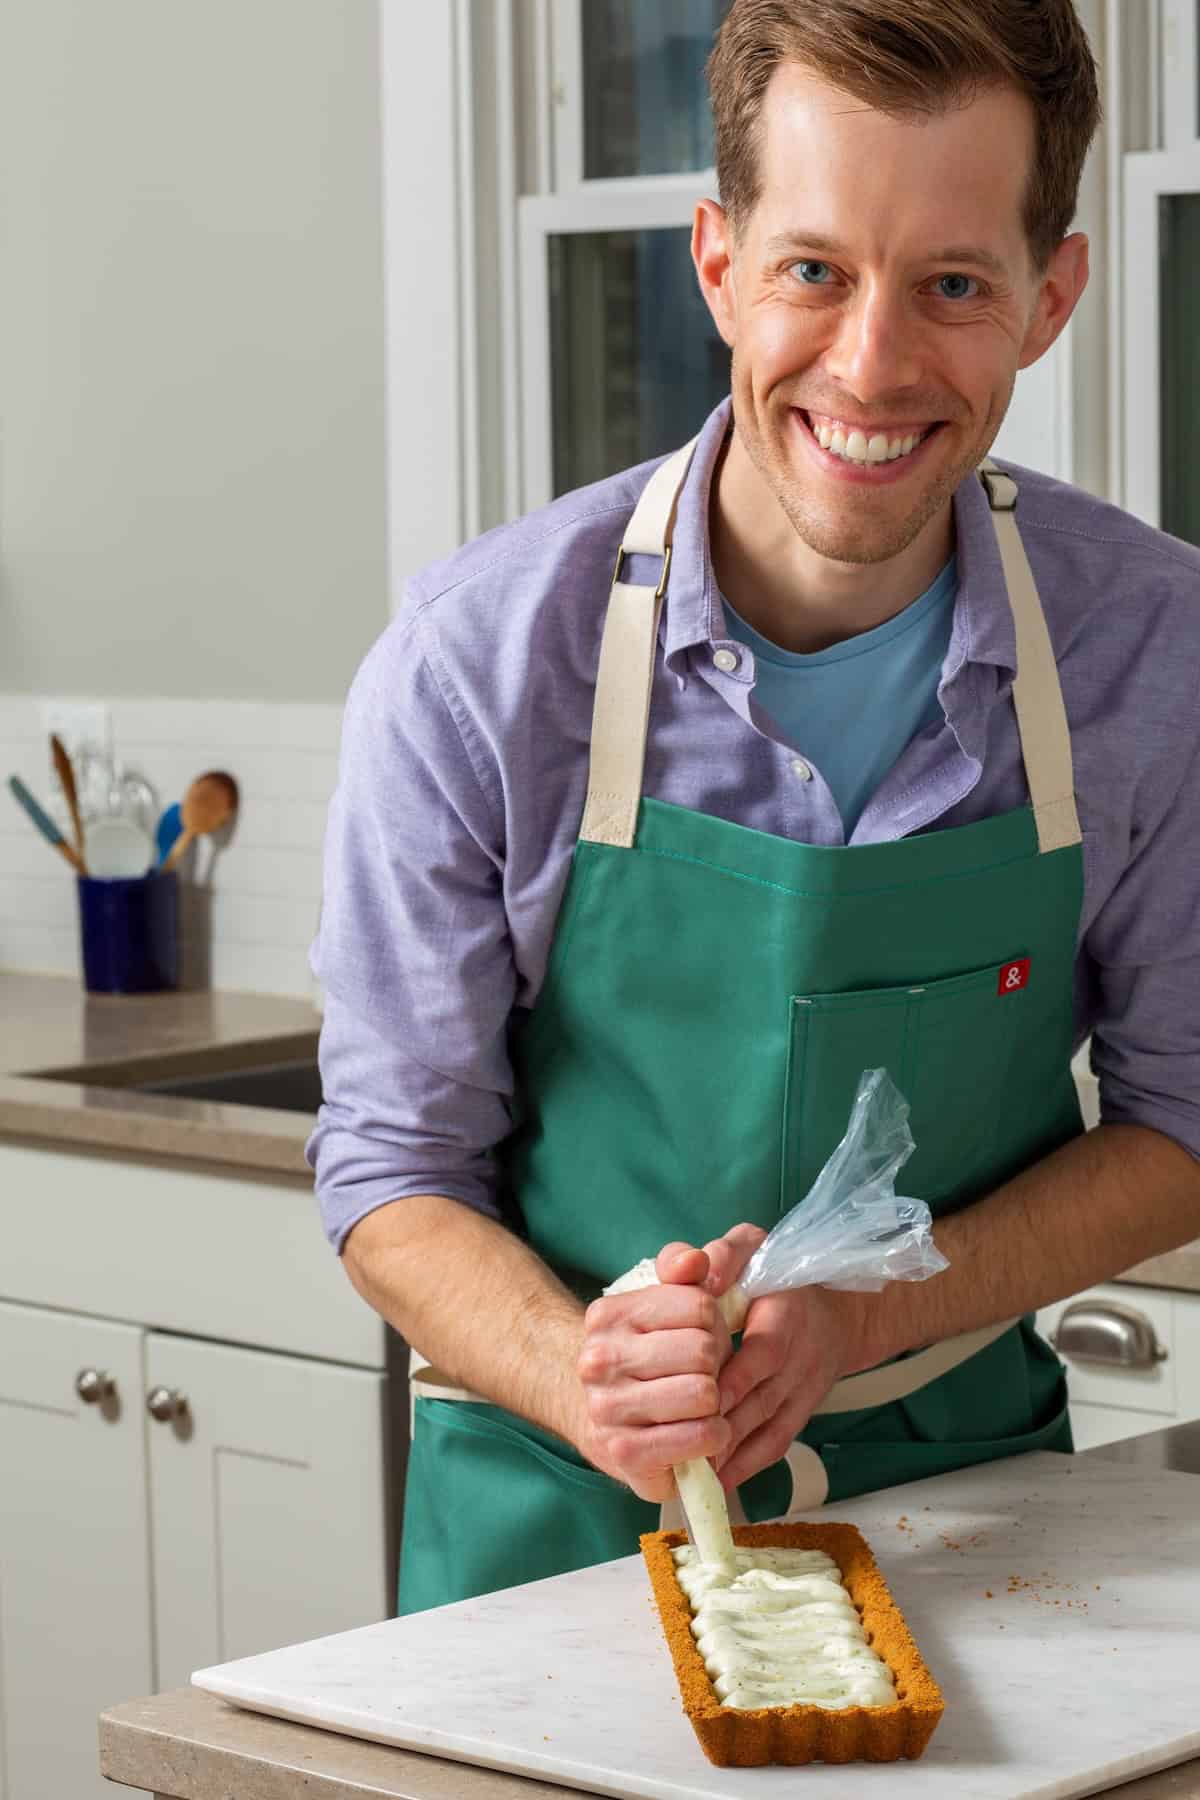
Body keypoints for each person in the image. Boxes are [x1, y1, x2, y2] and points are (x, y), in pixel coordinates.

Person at [309, 0, 1200, 1616]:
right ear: (718, 264)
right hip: (552, 1533)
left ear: (1050, 298)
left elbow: (1185, 1123)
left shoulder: (1154, 655)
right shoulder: (475, 666)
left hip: (980, 1521)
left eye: (954, 285)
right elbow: (392, 1169)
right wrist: (588, 1375)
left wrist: (872, 1311)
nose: (871, 365)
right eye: (813, 270)